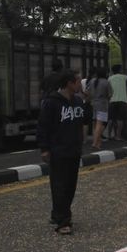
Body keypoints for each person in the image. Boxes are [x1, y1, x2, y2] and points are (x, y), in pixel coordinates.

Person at [37, 69, 85, 235]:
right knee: (59, 186)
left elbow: (81, 124)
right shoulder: (51, 103)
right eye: (78, 81)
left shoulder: (78, 101)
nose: (80, 84)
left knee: (70, 186)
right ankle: (63, 221)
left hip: (74, 150)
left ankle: (57, 215)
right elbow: (43, 126)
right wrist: (44, 149)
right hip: (57, 151)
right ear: (69, 83)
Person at [89, 67, 112, 149]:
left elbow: (89, 92)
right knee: (100, 124)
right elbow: (110, 94)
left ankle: (98, 143)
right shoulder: (106, 82)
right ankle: (95, 143)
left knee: (94, 124)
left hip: (93, 103)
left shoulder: (92, 81)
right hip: (102, 104)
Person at [108, 64, 127, 140]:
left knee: (111, 119)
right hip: (122, 100)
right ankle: (118, 135)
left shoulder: (109, 78)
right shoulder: (125, 77)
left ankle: (109, 135)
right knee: (120, 119)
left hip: (112, 100)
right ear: (120, 70)